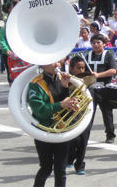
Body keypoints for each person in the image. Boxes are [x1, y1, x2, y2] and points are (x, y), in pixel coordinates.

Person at [28, 57, 75, 187]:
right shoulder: (35, 84)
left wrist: (66, 88)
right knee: (46, 168)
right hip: (44, 130)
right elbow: (39, 110)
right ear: (43, 64)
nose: (57, 64)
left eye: (58, 61)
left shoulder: (61, 79)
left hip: (61, 129)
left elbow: (67, 104)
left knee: (61, 169)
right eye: (53, 61)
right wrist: (61, 104)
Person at [85, 34, 117, 143]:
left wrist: (98, 75)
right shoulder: (88, 55)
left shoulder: (108, 55)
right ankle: (85, 135)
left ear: (104, 44)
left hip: (104, 88)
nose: (96, 45)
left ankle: (110, 135)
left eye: (98, 42)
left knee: (107, 112)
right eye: (93, 43)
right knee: (89, 113)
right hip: (90, 89)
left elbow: (113, 70)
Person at [66, 57, 93, 175]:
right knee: (73, 138)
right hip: (72, 112)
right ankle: (70, 158)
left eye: (83, 67)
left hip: (85, 111)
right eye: (78, 68)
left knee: (84, 139)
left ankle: (80, 164)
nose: (81, 70)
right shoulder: (67, 80)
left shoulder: (88, 78)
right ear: (71, 69)